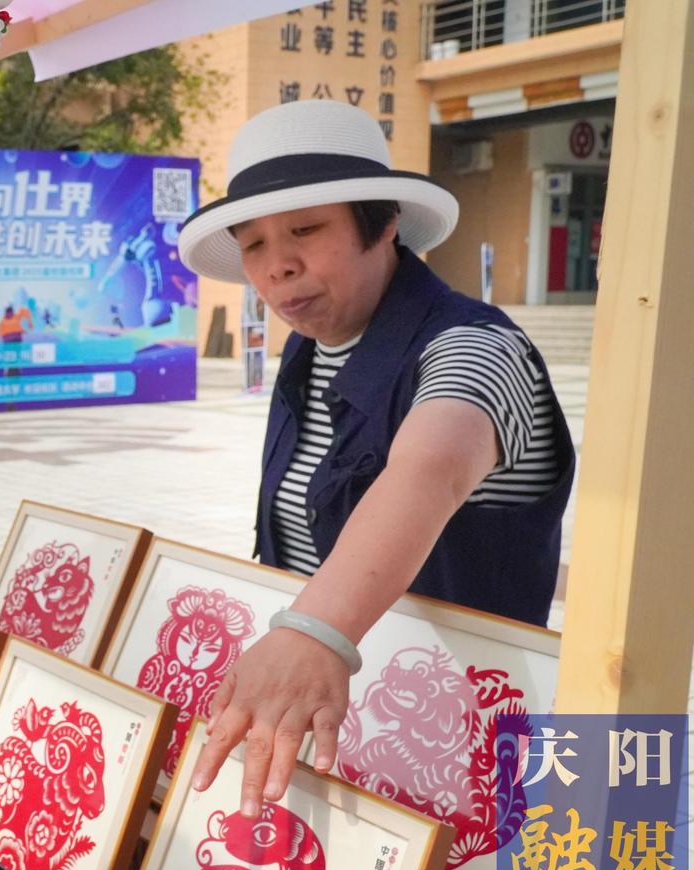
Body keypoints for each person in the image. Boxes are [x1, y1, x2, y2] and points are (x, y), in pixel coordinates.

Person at [175, 101, 574, 817]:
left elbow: (428, 470)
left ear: (384, 222)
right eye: (253, 244)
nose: (277, 266)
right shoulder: (308, 354)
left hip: (462, 745)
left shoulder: (477, 348)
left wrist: (312, 634)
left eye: (305, 230)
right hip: (327, 727)